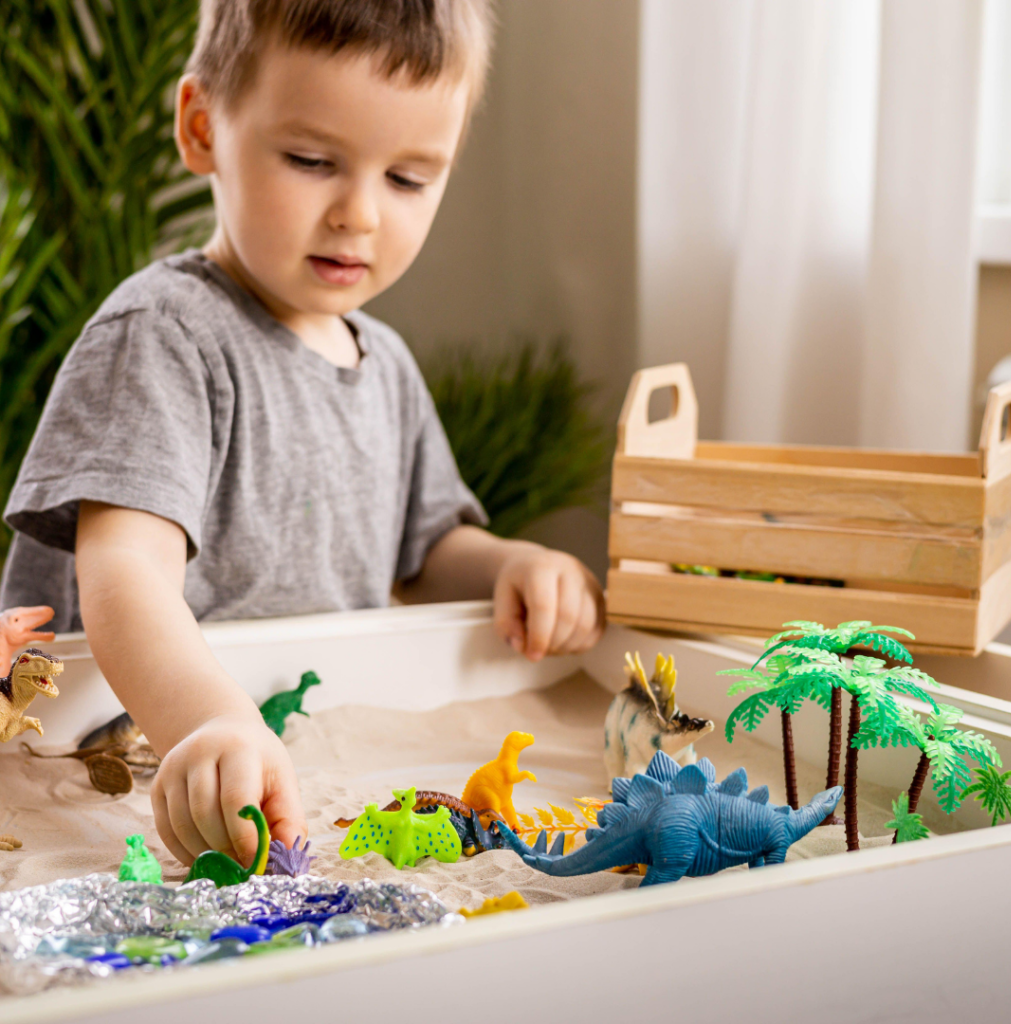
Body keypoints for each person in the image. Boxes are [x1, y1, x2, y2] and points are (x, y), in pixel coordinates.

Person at [0, 0, 604, 869]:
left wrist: (511, 564)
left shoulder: (384, 363)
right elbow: (125, 575)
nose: (359, 213)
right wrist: (208, 719)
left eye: (408, 178)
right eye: (312, 160)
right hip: (119, 749)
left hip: (312, 740)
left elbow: (429, 548)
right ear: (204, 128)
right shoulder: (163, 333)